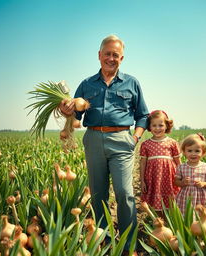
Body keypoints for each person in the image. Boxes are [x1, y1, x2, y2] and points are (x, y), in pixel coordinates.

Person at [59, 35, 148, 255]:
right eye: (107, 54)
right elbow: (76, 114)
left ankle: (129, 245)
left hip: (122, 140)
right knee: (98, 193)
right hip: (93, 139)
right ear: (99, 56)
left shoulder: (132, 83)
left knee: (125, 192)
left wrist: (134, 139)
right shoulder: (86, 84)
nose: (111, 58)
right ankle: (104, 240)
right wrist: (66, 111)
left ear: (122, 58)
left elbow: (143, 116)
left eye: (115, 55)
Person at [140, 110, 181, 219]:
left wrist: (181, 176)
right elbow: (143, 163)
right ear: (149, 126)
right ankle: (159, 222)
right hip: (153, 177)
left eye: (161, 125)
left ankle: (172, 222)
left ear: (167, 125)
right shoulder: (145, 144)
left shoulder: (172, 143)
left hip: (169, 177)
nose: (157, 128)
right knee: (156, 200)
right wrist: (142, 180)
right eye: (154, 125)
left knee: (171, 200)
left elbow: (178, 162)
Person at [174, 133, 206, 217]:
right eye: (189, 151)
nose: (193, 154)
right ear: (184, 152)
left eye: (197, 151)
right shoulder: (181, 167)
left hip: (201, 196)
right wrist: (182, 182)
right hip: (186, 196)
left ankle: (202, 228)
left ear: (203, 152)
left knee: (202, 216)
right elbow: (176, 182)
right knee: (186, 215)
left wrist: (204, 184)